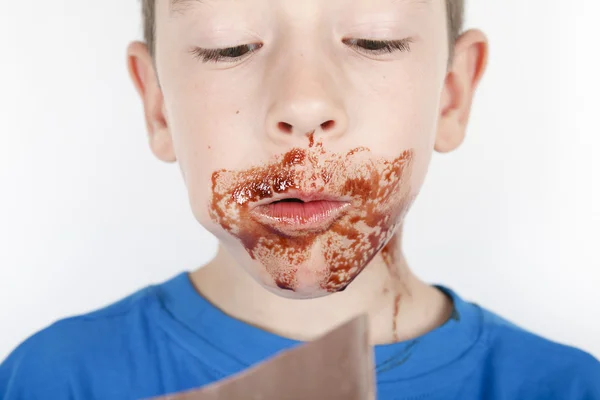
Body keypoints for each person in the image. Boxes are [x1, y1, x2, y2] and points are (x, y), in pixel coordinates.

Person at [2, 0, 599, 399]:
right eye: (228, 46)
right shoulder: (55, 381)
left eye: (374, 40)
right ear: (158, 103)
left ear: (451, 94)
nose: (305, 105)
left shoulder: (567, 389)